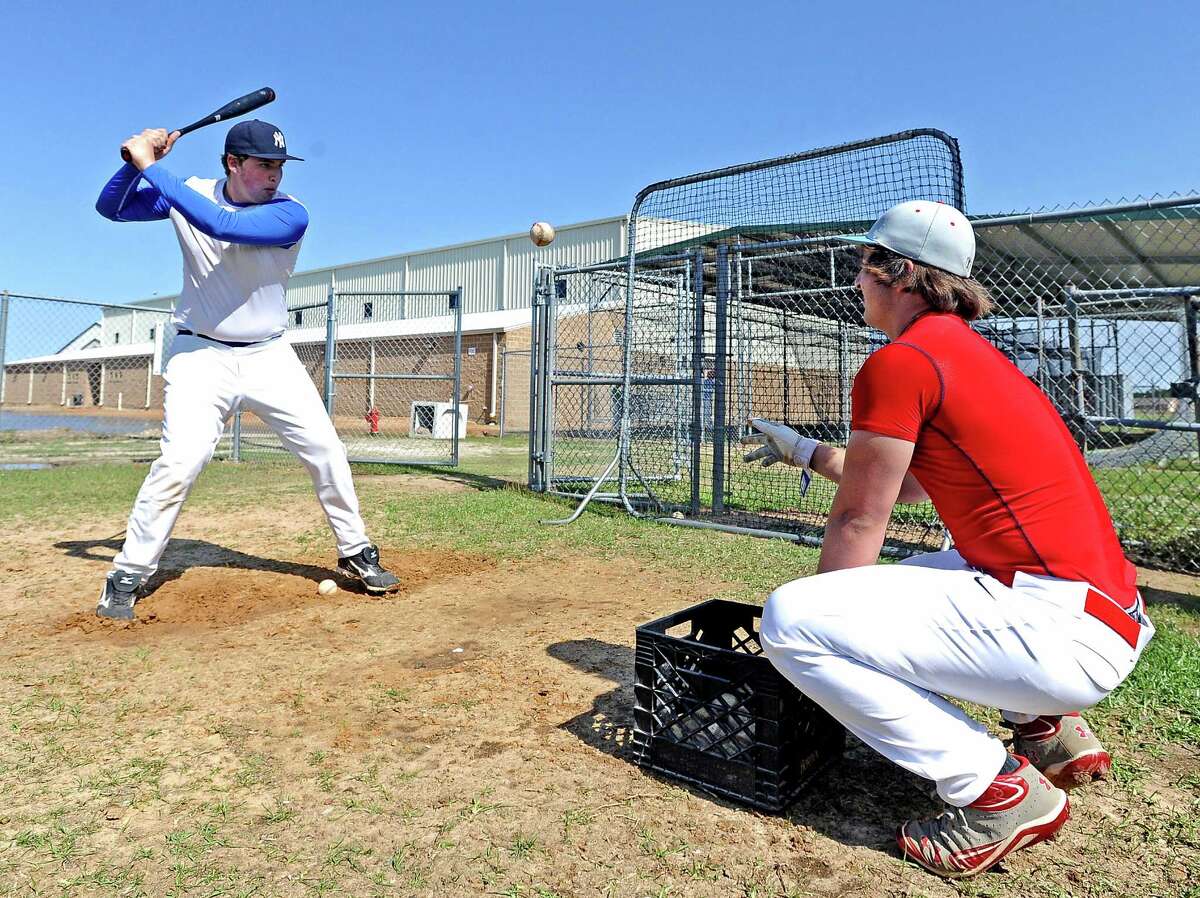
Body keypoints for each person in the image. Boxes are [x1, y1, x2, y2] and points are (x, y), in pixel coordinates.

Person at [742, 200, 1153, 878]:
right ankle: (1049, 729)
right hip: (1099, 613)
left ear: (902, 273)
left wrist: (815, 639)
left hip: (1064, 635)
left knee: (792, 620)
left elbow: (858, 518)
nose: (856, 281)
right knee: (930, 565)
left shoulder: (901, 362)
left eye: (867, 266)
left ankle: (996, 790)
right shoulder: (967, 356)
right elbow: (898, 484)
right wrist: (804, 450)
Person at [94, 120, 400, 620]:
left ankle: (356, 549)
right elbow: (113, 208)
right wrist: (134, 163)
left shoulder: (289, 214)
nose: (274, 174)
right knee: (181, 461)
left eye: (279, 165)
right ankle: (128, 572)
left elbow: (223, 225)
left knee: (325, 450)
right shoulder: (188, 191)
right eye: (263, 164)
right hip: (199, 355)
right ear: (233, 163)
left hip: (268, 354)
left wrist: (153, 166)